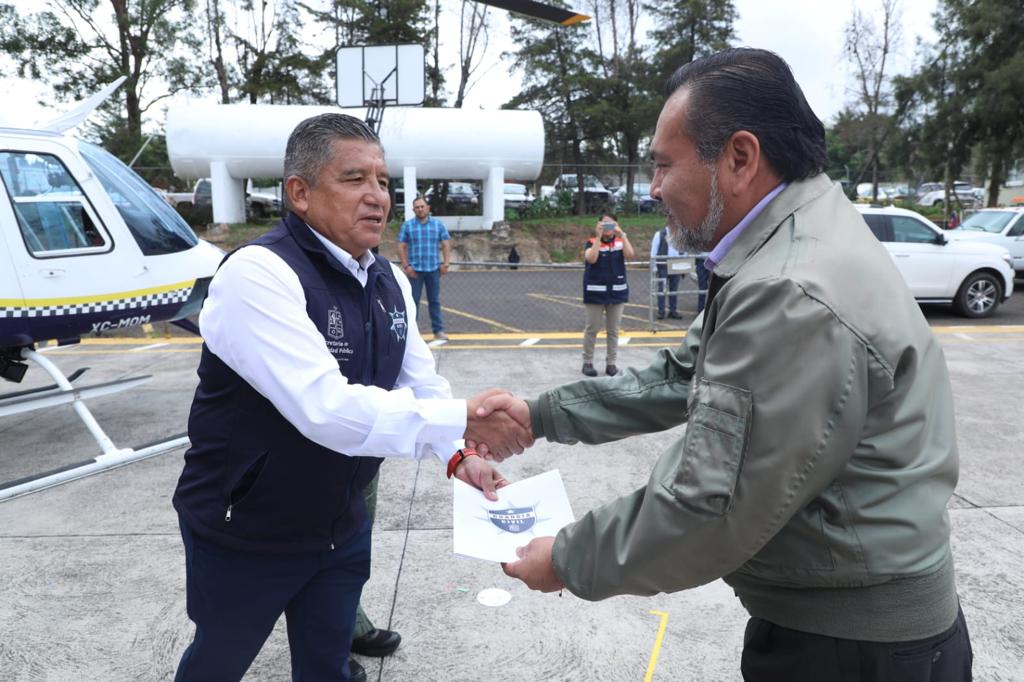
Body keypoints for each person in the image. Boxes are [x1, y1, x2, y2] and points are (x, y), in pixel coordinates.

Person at [482, 48, 973, 681]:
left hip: (850, 648)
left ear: (739, 158)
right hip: (855, 625)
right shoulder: (792, 239)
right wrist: (542, 414)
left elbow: (710, 502)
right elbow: (686, 375)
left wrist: (569, 558)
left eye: (663, 165)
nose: (654, 188)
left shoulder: (789, 289)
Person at [171, 113, 530, 682]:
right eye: (354, 179)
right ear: (300, 193)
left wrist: (460, 454)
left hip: (341, 522)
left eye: (383, 182)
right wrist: (468, 414)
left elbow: (419, 381)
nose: (377, 198)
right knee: (218, 662)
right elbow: (326, 410)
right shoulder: (257, 274)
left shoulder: (386, 279)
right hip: (247, 526)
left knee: (329, 664)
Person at [581, 214, 634, 377]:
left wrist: (622, 234)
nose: (608, 227)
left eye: (611, 224)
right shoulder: (591, 242)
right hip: (595, 294)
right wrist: (598, 237)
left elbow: (630, 255)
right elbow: (591, 258)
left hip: (616, 294)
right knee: (592, 329)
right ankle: (587, 362)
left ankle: (611, 364)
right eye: (605, 224)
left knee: (613, 331)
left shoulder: (619, 242)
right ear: (599, 225)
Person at [398, 197, 451, 341]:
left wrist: (445, 264)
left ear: (428, 207)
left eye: (422, 206)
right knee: (412, 302)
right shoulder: (407, 226)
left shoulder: (438, 225)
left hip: (433, 270)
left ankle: (438, 331)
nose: (420, 209)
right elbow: (401, 246)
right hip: (414, 272)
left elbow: (446, 244)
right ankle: (412, 334)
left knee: (434, 301)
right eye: (417, 207)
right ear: (413, 209)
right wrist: (406, 266)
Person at [649, 225, 682, 319]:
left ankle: (673, 311)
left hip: (676, 266)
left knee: (674, 290)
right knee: (662, 290)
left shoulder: (681, 234)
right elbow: (654, 251)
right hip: (663, 266)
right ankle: (661, 312)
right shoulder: (659, 234)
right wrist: (654, 268)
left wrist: (685, 266)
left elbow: (684, 250)